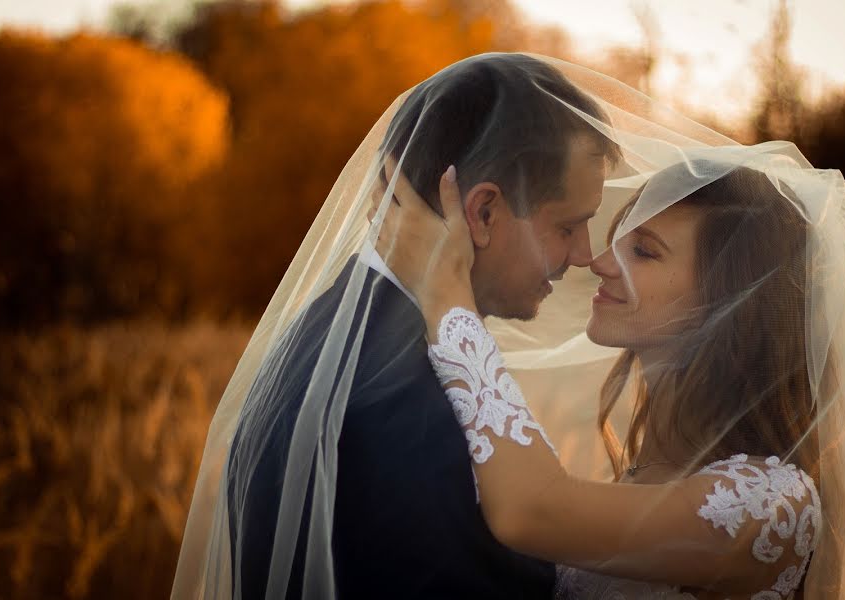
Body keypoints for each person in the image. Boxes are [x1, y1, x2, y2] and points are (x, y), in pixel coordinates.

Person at [172, 53, 619, 599]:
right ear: (482, 213)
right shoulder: (403, 400)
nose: (584, 255)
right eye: (569, 226)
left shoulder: (333, 330)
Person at [374, 151, 845, 599]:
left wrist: (447, 297)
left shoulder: (772, 506)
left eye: (642, 251)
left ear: (731, 298)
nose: (598, 262)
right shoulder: (637, 472)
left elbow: (528, 512)